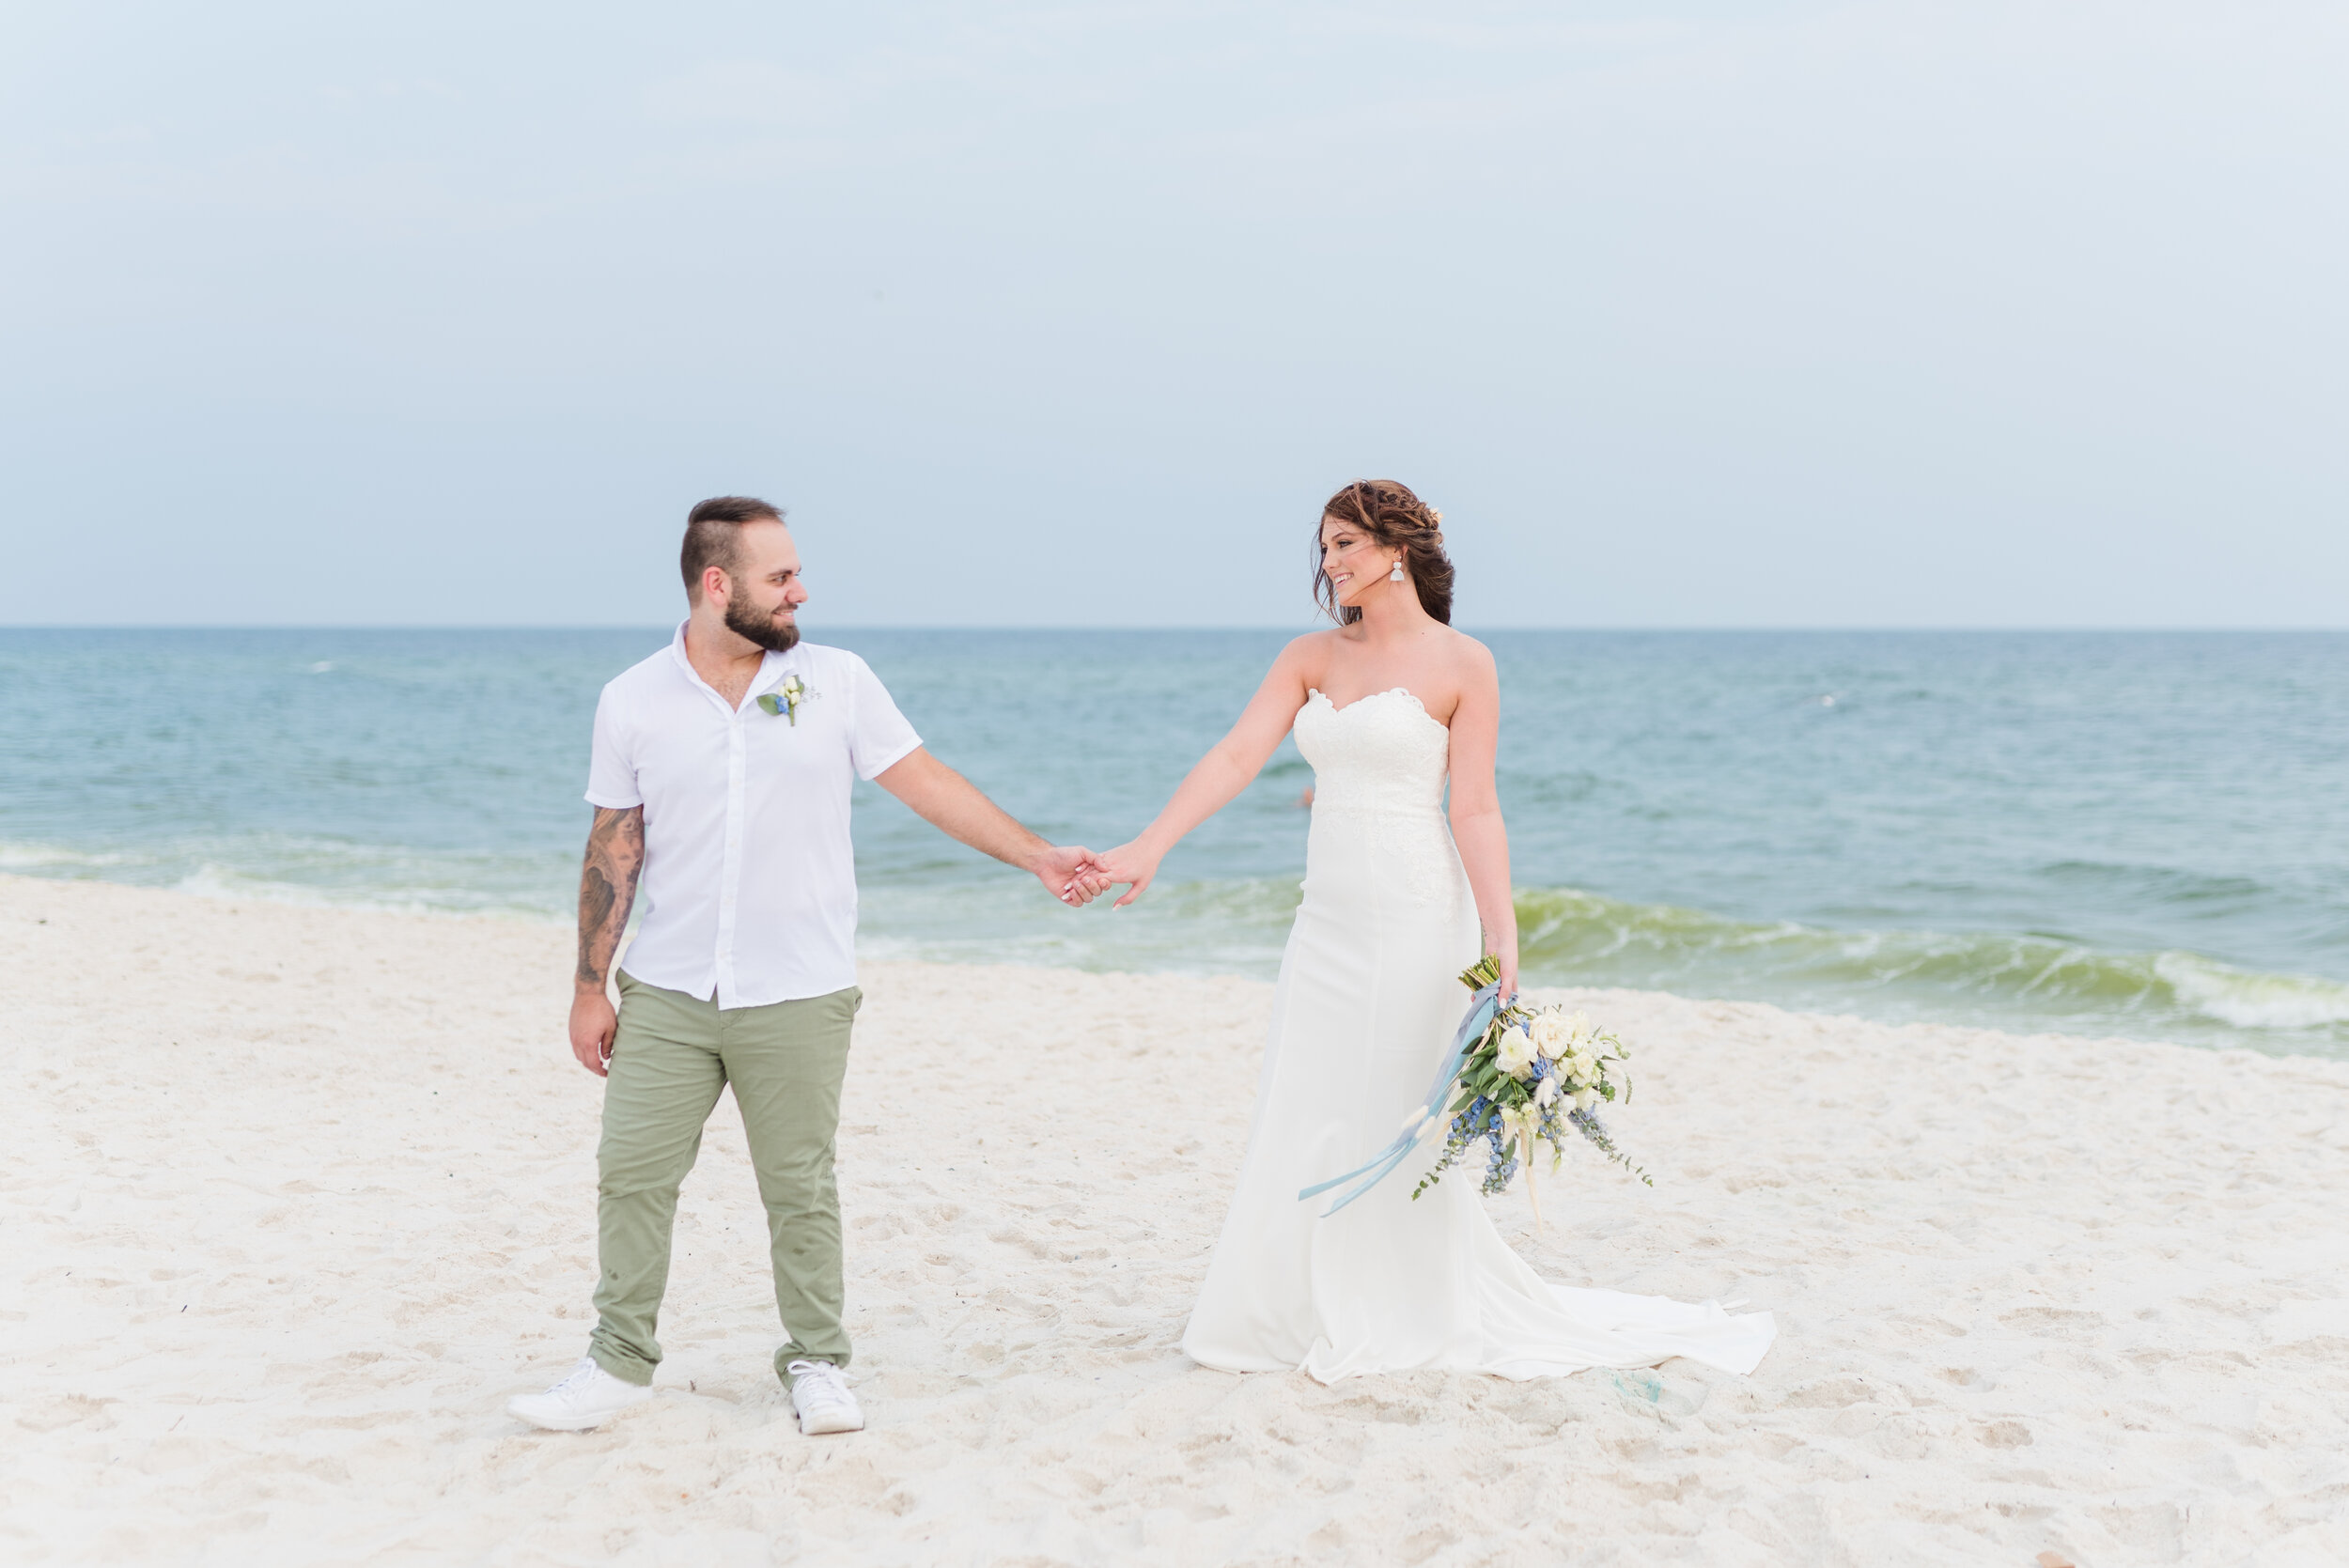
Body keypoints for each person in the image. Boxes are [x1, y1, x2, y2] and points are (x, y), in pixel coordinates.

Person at [1090, 480, 1776, 1381]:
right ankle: (1293, 1303)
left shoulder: (1466, 664)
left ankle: (1403, 1304)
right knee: (1307, 1096)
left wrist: (1504, 941)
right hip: (1325, 918)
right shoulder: (1309, 657)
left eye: (1344, 546)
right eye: (1325, 548)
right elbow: (1232, 755)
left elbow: (1478, 807)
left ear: (1397, 550)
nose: (1329, 563)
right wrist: (1150, 845)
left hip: (1419, 917)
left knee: (1400, 1106)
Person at [508, 495, 1106, 1435]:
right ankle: (617, 1364)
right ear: (717, 586)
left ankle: (817, 1361)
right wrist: (589, 986)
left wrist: (1035, 854)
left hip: (798, 986)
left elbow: (927, 782)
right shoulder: (631, 699)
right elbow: (612, 846)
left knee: (798, 1185)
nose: (801, 592)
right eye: (779, 577)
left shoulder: (838, 680)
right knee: (630, 1173)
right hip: (667, 988)